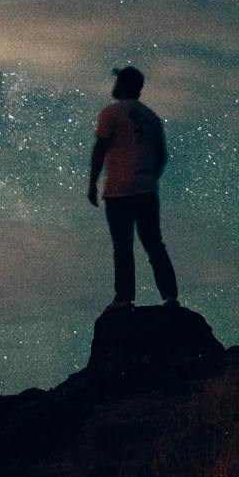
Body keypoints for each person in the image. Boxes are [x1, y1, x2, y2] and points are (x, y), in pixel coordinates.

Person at [87, 64, 179, 310]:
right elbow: (161, 155)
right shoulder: (152, 117)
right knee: (153, 243)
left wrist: (92, 183)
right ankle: (170, 296)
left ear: (123, 85)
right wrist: (149, 177)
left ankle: (124, 298)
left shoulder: (111, 113)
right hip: (146, 189)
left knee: (122, 245)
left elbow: (100, 147)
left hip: (119, 190)